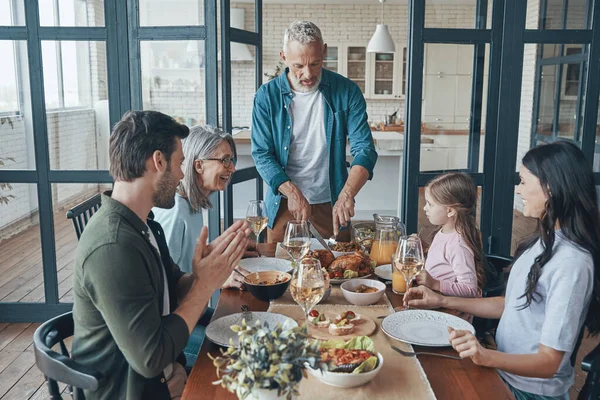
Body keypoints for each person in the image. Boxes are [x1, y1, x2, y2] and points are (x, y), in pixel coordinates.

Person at [71, 111, 251, 400]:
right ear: (158, 161)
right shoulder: (113, 245)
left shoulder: (144, 225)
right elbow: (151, 359)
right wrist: (204, 285)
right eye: (180, 163)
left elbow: (172, 286)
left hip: (160, 375)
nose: (182, 174)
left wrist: (205, 272)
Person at [404, 141, 600, 400]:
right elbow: (511, 304)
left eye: (523, 181)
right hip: (501, 371)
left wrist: (484, 355)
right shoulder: (546, 240)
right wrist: (441, 299)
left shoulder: (572, 263)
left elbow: (549, 362)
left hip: (528, 391)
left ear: (550, 188)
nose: (518, 190)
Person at [251, 20, 378, 243]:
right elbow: (262, 154)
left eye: (316, 63)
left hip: (334, 201)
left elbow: (365, 150)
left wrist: (346, 195)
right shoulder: (266, 96)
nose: (308, 74)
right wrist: (292, 192)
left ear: (324, 52)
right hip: (284, 201)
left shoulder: (347, 91)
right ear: (283, 57)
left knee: (340, 270)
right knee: (280, 270)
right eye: (299, 66)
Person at [417, 172, 485, 302]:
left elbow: (470, 289)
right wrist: (423, 247)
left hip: (449, 311)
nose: (425, 208)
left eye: (430, 204)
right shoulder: (444, 231)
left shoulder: (458, 245)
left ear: (450, 211)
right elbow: (442, 260)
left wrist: (435, 283)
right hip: (434, 298)